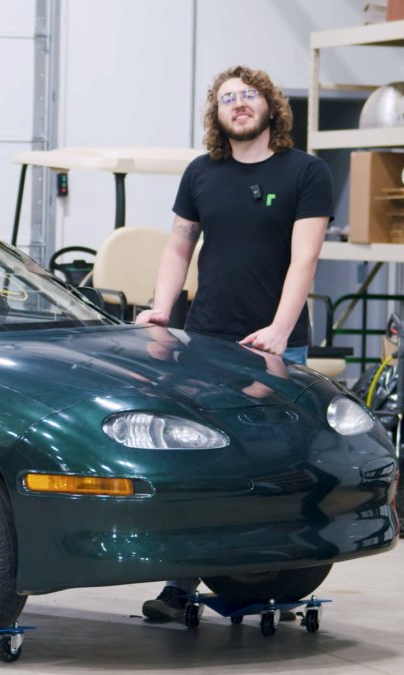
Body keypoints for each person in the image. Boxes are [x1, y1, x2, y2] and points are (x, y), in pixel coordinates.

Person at [134, 65, 333, 621]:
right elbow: (178, 247)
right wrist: (162, 308)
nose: (239, 104)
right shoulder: (201, 172)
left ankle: (274, 578)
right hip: (205, 342)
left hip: (275, 346)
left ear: (270, 106)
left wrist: (280, 330)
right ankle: (178, 587)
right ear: (216, 113)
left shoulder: (306, 172)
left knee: (277, 467)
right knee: (200, 465)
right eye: (227, 98)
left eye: (249, 95)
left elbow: (306, 258)